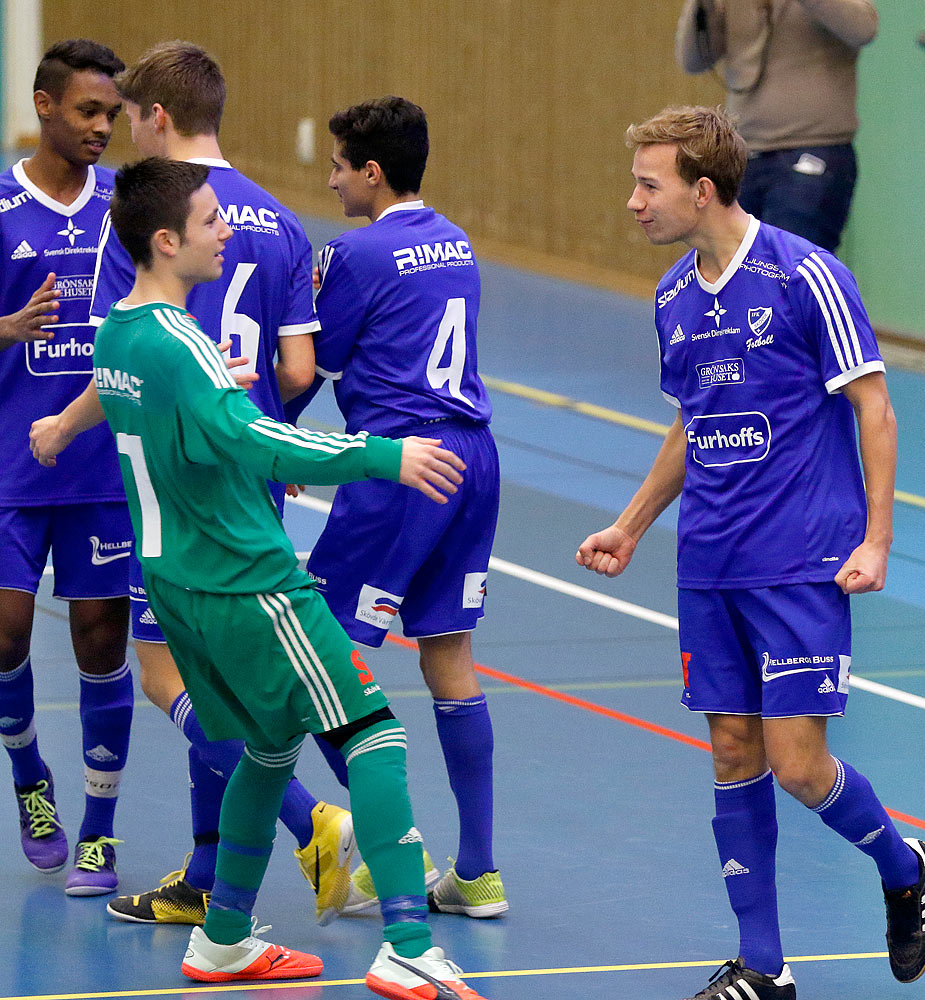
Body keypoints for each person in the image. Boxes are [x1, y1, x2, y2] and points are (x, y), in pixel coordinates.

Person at [90, 154, 488, 1000]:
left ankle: (224, 938)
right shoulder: (177, 342)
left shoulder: (120, 334)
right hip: (249, 582)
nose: (224, 228)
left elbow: (185, 420)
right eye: (207, 221)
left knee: (269, 750)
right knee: (373, 736)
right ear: (166, 242)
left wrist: (214, 392)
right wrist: (387, 453)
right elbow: (256, 442)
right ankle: (409, 944)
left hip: (178, 588)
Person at [575, 105, 925, 1000]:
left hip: (799, 562)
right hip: (709, 563)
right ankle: (764, 968)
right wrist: (631, 524)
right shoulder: (669, 298)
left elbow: (874, 410)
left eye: (647, 185)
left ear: (703, 190)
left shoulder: (808, 277)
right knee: (732, 752)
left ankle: (903, 866)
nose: (633, 202)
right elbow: (689, 427)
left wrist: (876, 539)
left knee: (799, 764)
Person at [29, 40, 360, 923]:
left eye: (131, 115)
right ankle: (209, 874)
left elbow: (123, 349)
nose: (124, 131)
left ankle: (310, 820)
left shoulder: (140, 219)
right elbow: (298, 369)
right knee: (234, 673)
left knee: (169, 674)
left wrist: (62, 426)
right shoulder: (284, 223)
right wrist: (259, 434)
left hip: (171, 487)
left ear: (158, 118)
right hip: (252, 476)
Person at [288, 95, 507, 919]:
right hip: (474, 461)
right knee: (448, 657)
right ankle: (478, 871)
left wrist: (284, 443)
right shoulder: (455, 240)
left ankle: (392, 849)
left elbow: (311, 363)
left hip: (400, 467)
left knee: (312, 657)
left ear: (371, 172)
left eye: (340, 166)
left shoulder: (357, 252)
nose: (332, 179)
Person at [0, 38, 133, 896]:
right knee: (6, 634)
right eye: (88, 111)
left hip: (102, 469)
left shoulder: (126, 204)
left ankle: (99, 827)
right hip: (12, 468)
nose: (101, 128)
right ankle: (29, 780)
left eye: (113, 115)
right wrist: (7, 331)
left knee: (100, 645)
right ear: (45, 105)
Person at [674, 0, 876, 254]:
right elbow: (694, 61)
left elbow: (864, 28)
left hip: (814, 150)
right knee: (733, 276)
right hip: (741, 153)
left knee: (788, 274)